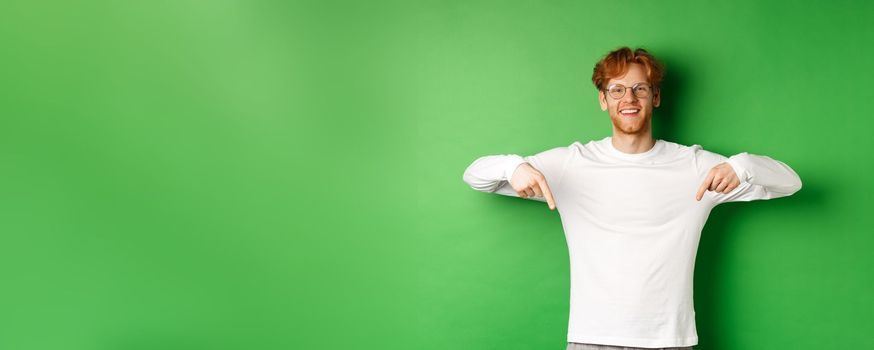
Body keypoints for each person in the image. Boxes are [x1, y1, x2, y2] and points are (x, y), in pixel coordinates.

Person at [461, 47, 802, 350]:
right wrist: (513, 167)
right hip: (591, 337)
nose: (629, 99)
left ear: (655, 97)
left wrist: (741, 166)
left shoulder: (694, 165)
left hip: (670, 340)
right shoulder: (571, 164)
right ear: (603, 99)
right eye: (618, 90)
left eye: (640, 89)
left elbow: (790, 182)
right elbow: (475, 176)